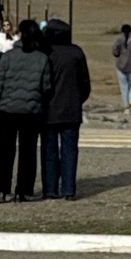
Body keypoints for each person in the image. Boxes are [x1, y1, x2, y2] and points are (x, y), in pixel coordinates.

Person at [0, 19, 51, 204]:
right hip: (30, 112)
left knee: (5, 152)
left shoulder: (8, 57)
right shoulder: (42, 58)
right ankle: (22, 191)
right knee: (28, 152)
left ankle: (1, 190)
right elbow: (46, 87)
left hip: (6, 110)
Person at [41, 17, 91, 201]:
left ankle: (50, 188)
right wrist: (77, 100)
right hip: (71, 109)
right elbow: (85, 84)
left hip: (48, 110)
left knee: (49, 151)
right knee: (70, 151)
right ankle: (69, 189)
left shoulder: (45, 52)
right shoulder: (76, 53)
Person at [111, 24, 131, 113]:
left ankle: (126, 106)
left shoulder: (119, 40)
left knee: (123, 87)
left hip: (121, 66)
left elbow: (114, 52)